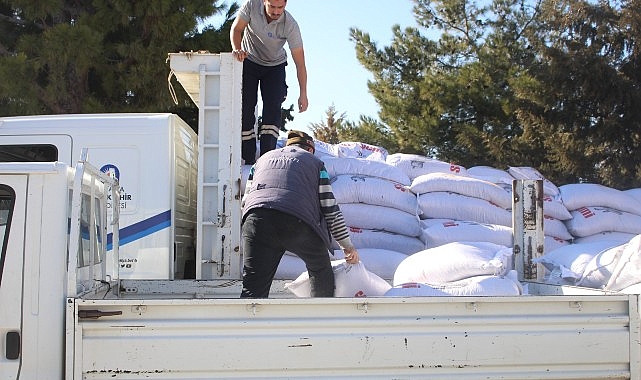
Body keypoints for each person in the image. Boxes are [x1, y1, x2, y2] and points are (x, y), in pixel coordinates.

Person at [240, 130, 360, 298]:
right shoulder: (315, 163)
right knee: (320, 269)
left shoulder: (261, 161)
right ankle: (319, 318)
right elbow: (330, 208)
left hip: (257, 220)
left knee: (253, 285)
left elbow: (246, 202)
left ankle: (247, 322)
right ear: (310, 148)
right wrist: (347, 247)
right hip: (296, 221)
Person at [230, 0, 309, 164]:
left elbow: (300, 63)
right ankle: (248, 156)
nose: (276, 11)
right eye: (272, 6)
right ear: (263, 1)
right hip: (249, 60)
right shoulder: (252, 5)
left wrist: (303, 94)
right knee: (246, 108)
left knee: (273, 109)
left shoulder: (290, 24)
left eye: (280, 7)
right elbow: (237, 29)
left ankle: (267, 157)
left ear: (285, 5)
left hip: (275, 66)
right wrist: (237, 48)